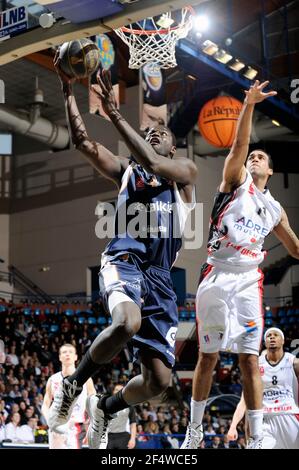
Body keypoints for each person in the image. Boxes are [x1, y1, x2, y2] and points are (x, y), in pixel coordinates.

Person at [48, 55, 197, 449]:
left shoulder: (184, 173)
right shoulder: (127, 172)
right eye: (148, 130)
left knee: (160, 382)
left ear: (173, 144)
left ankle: (108, 407)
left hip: (161, 280)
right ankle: (72, 385)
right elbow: (83, 142)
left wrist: (115, 113)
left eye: (160, 131)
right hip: (125, 261)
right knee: (126, 322)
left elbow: (152, 159)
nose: (153, 133)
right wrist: (68, 90)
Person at [181, 80, 299, 449]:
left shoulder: (275, 209)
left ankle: (258, 433)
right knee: (208, 356)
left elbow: (295, 249)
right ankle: (195, 430)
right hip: (216, 274)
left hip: (248, 279)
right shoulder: (236, 181)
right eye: (253, 156)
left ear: (272, 172)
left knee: (250, 360)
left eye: (262, 158)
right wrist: (248, 104)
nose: (254, 158)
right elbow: (239, 144)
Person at [227, 327, 299, 449]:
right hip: (264, 420)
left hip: (289, 415)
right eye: (268, 335)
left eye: (275, 335)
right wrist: (233, 426)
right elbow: (244, 400)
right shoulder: (255, 366)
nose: (271, 337)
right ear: (265, 342)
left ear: (283, 341)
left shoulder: (293, 362)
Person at [42, 343, 95, 449]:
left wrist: (92, 427)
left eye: (70, 352)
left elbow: (94, 403)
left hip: (75, 426)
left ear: (75, 357)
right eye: (64, 352)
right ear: (60, 357)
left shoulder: (86, 379)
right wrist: (49, 420)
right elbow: (45, 404)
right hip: (56, 425)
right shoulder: (53, 379)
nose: (67, 354)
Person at [106, 384, 137, 449]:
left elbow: (133, 423)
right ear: (113, 391)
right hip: (108, 436)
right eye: (116, 390)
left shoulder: (129, 405)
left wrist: (133, 438)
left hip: (123, 436)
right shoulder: (106, 404)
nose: (118, 392)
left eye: (121, 390)